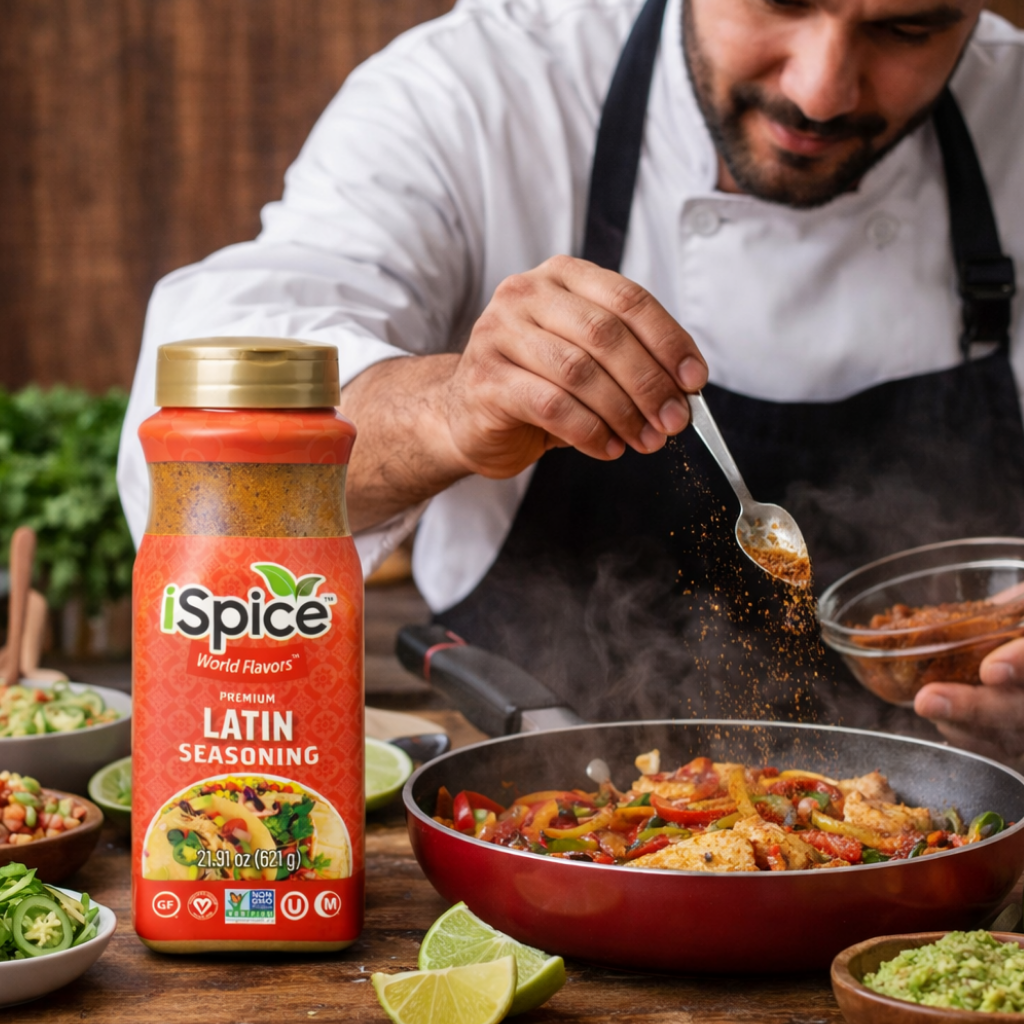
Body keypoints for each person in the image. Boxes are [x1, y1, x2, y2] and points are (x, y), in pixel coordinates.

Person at [119, 0, 1024, 761]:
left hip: (954, 804)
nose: (820, 88)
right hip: (539, 791)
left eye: (907, 29)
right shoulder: (482, 87)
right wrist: (448, 410)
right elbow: (199, 460)